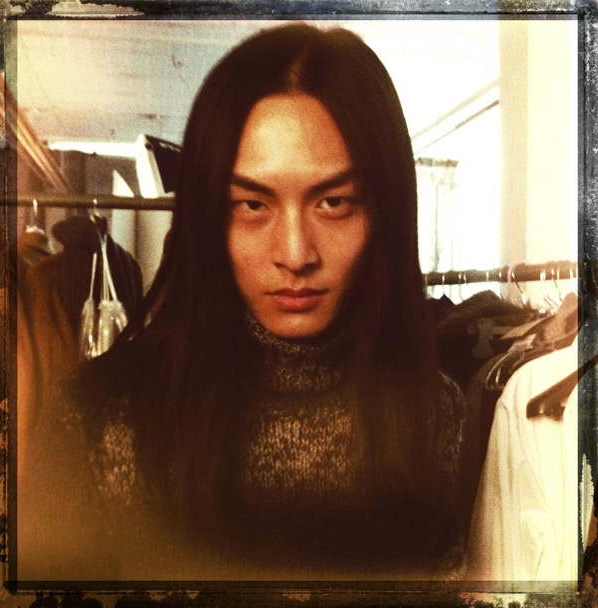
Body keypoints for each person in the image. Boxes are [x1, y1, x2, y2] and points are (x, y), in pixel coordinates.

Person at [27, 23, 469, 581]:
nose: (295, 254)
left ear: (386, 212)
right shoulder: (92, 422)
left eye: (333, 202)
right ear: (208, 217)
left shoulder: (436, 410)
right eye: (252, 205)